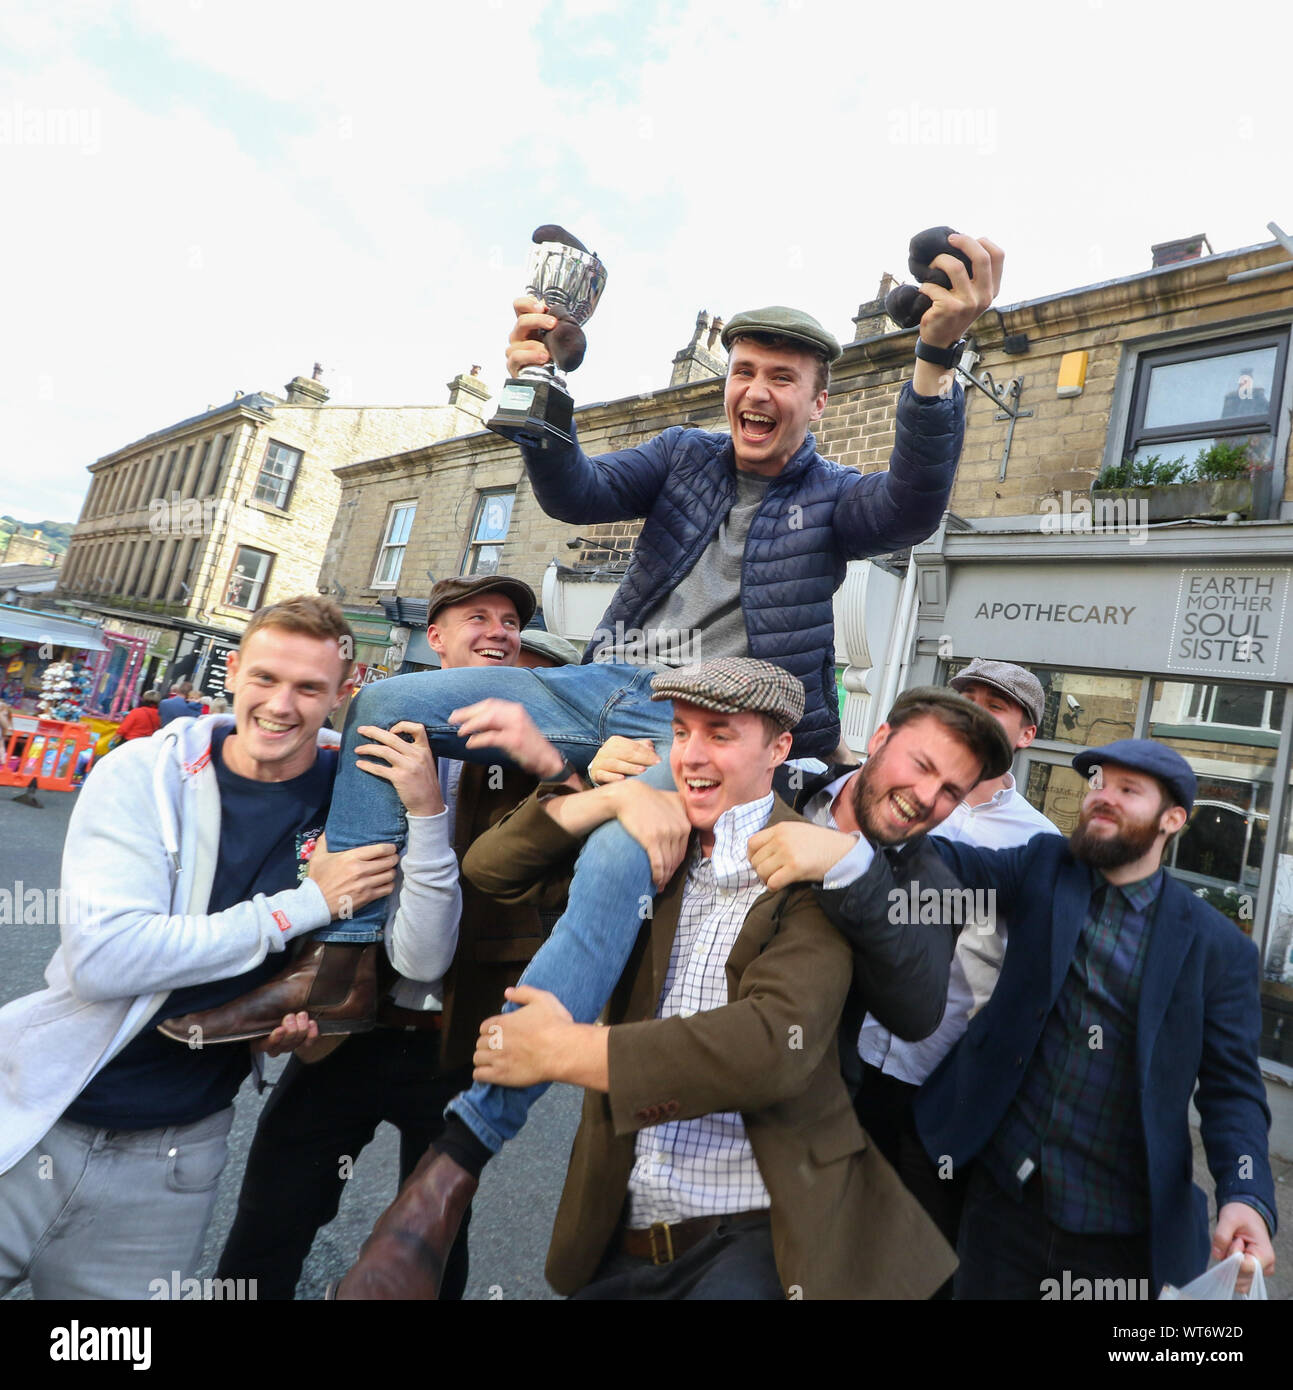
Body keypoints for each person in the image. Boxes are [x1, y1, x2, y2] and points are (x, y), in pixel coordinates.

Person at [173, 245, 1003, 1068]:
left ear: (817, 403)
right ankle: (345, 964)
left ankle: (491, 1111)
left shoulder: (835, 498)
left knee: (621, 841)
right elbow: (576, 494)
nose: (755, 391)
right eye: (743, 370)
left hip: (695, 719)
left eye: (781, 379)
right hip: (597, 686)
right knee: (386, 707)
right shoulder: (684, 454)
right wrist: (547, 383)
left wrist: (934, 359)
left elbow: (911, 503)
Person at [337, 661, 1009, 1300]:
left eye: (952, 791)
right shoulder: (755, 787)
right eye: (921, 767)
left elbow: (902, 1013)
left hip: (764, 1195)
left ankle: (462, 1150)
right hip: (625, 1190)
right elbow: (493, 872)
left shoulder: (913, 875)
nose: (926, 797)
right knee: (616, 837)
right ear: (881, 738)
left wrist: (849, 866)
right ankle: (456, 1160)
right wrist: (611, 796)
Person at [0, 596, 446, 1300]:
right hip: (36, 1114)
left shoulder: (355, 792)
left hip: (177, 1154)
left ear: (345, 689)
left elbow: (418, 960)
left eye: (308, 688)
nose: (281, 705)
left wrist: (425, 815)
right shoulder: (144, 773)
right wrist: (307, 903)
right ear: (231, 671)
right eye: (265, 678)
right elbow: (105, 959)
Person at [212, 576, 579, 1299]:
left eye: (511, 621)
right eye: (478, 617)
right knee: (272, 1216)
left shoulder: (532, 751)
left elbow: (559, 876)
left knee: (435, 1241)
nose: (500, 631)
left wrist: (553, 771)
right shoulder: (375, 729)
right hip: (348, 1028)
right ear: (434, 638)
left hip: (457, 1036)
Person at [908, 739, 1278, 1297]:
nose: (1103, 797)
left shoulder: (1218, 949)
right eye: (1099, 783)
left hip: (1119, 1236)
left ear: (1171, 819)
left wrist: (1246, 1197)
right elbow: (947, 866)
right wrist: (857, 832)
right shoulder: (1045, 867)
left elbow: (1233, 1092)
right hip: (1001, 1204)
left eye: (1128, 791)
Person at [850, 659, 1060, 1256]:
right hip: (852, 1047)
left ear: (1026, 735)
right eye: (963, 696)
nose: (973, 710)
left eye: (994, 706)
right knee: (829, 1226)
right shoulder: (895, 798)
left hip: (939, 1077)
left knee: (915, 1249)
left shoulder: (1037, 844)